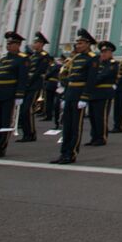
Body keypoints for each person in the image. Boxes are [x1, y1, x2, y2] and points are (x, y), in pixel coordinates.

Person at [52, 29, 98, 165]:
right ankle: (63, 152)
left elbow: (91, 79)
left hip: (79, 95)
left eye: (81, 43)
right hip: (70, 94)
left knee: (75, 126)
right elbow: (68, 75)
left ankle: (71, 154)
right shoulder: (76, 58)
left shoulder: (92, 58)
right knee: (67, 125)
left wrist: (85, 97)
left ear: (88, 44)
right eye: (77, 43)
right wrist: (65, 91)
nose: (78, 45)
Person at [0, 32, 29, 159]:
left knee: (5, 123)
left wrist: (19, 95)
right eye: (8, 43)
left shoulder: (22, 59)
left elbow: (22, 78)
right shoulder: (2, 60)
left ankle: (0, 148)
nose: (8, 46)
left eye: (11, 43)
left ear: (18, 45)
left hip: (9, 94)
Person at [19, 32, 49, 140]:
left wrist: (28, 82)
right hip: (28, 85)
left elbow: (39, 71)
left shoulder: (44, 56)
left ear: (41, 44)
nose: (34, 44)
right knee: (23, 110)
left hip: (35, 85)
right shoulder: (33, 56)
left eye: (36, 42)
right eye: (34, 42)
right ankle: (26, 133)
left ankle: (31, 133)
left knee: (28, 109)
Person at [87, 41, 118, 145]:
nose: (103, 54)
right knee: (93, 116)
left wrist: (91, 81)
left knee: (101, 116)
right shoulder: (97, 63)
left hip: (104, 93)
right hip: (94, 93)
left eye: (106, 52)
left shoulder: (113, 64)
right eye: (102, 52)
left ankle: (102, 137)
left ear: (111, 53)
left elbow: (103, 76)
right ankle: (94, 137)